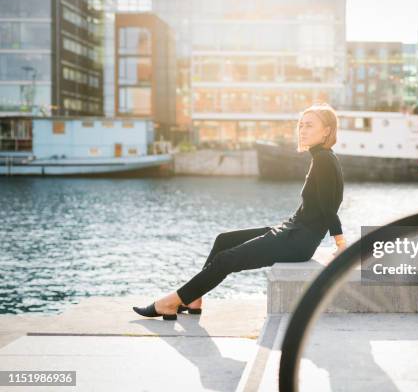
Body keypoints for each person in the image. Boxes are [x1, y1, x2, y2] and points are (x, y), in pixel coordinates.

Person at [133, 103, 347, 320]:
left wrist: (340, 244)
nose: (302, 130)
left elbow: (329, 207)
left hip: (297, 241)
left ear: (327, 130)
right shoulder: (323, 157)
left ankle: (170, 303)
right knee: (224, 240)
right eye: (301, 125)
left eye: (309, 125)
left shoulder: (323, 160)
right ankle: (194, 298)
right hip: (291, 230)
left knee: (227, 260)